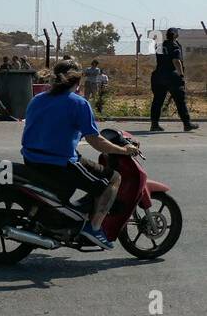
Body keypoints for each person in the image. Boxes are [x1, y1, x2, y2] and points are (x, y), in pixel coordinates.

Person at [21, 60, 141, 250]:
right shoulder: (78, 103)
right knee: (113, 178)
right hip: (59, 162)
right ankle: (93, 228)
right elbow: (96, 141)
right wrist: (123, 150)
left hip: (32, 158)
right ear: (77, 81)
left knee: (87, 168)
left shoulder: (37, 99)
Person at [150, 27, 198, 131]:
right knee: (180, 101)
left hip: (158, 75)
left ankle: (154, 124)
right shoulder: (175, 45)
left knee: (157, 101)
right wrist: (181, 75)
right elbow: (176, 61)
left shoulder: (160, 45)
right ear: (176, 35)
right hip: (171, 76)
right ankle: (187, 123)